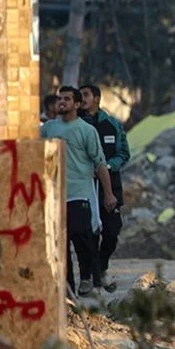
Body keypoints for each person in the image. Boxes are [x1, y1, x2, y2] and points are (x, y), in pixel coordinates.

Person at [41, 86, 118, 296]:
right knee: (60, 246)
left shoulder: (86, 130)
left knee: (80, 235)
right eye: (59, 99)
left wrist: (109, 193)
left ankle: (86, 276)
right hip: (55, 196)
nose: (62, 102)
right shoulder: (47, 129)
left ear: (76, 104)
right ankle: (68, 293)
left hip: (79, 193)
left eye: (66, 99)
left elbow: (100, 163)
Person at [80, 85, 130, 283]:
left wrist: (108, 166)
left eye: (86, 95)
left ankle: (101, 266)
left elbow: (124, 153)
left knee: (112, 231)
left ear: (97, 98)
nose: (82, 99)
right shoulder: (79, 125)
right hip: (85, 185)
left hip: (110, 185)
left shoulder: (112, 125)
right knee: (87, 233)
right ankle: (90, 275)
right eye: (80, 95)